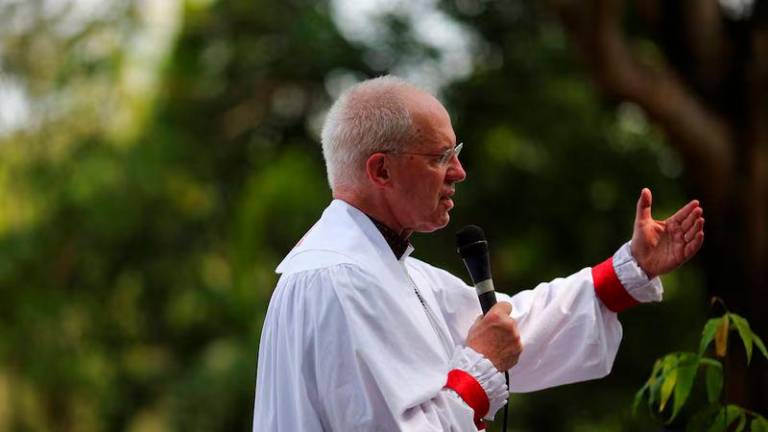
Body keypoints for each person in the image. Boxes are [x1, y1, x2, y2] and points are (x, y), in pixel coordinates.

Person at [252, 76, 705, 431]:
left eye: (457, 153)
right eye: (440, 157)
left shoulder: (391, 270)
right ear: (381, 169)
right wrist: (480, 369)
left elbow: (507, 328)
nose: (459, 172)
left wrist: (627, 273)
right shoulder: (338, 279)